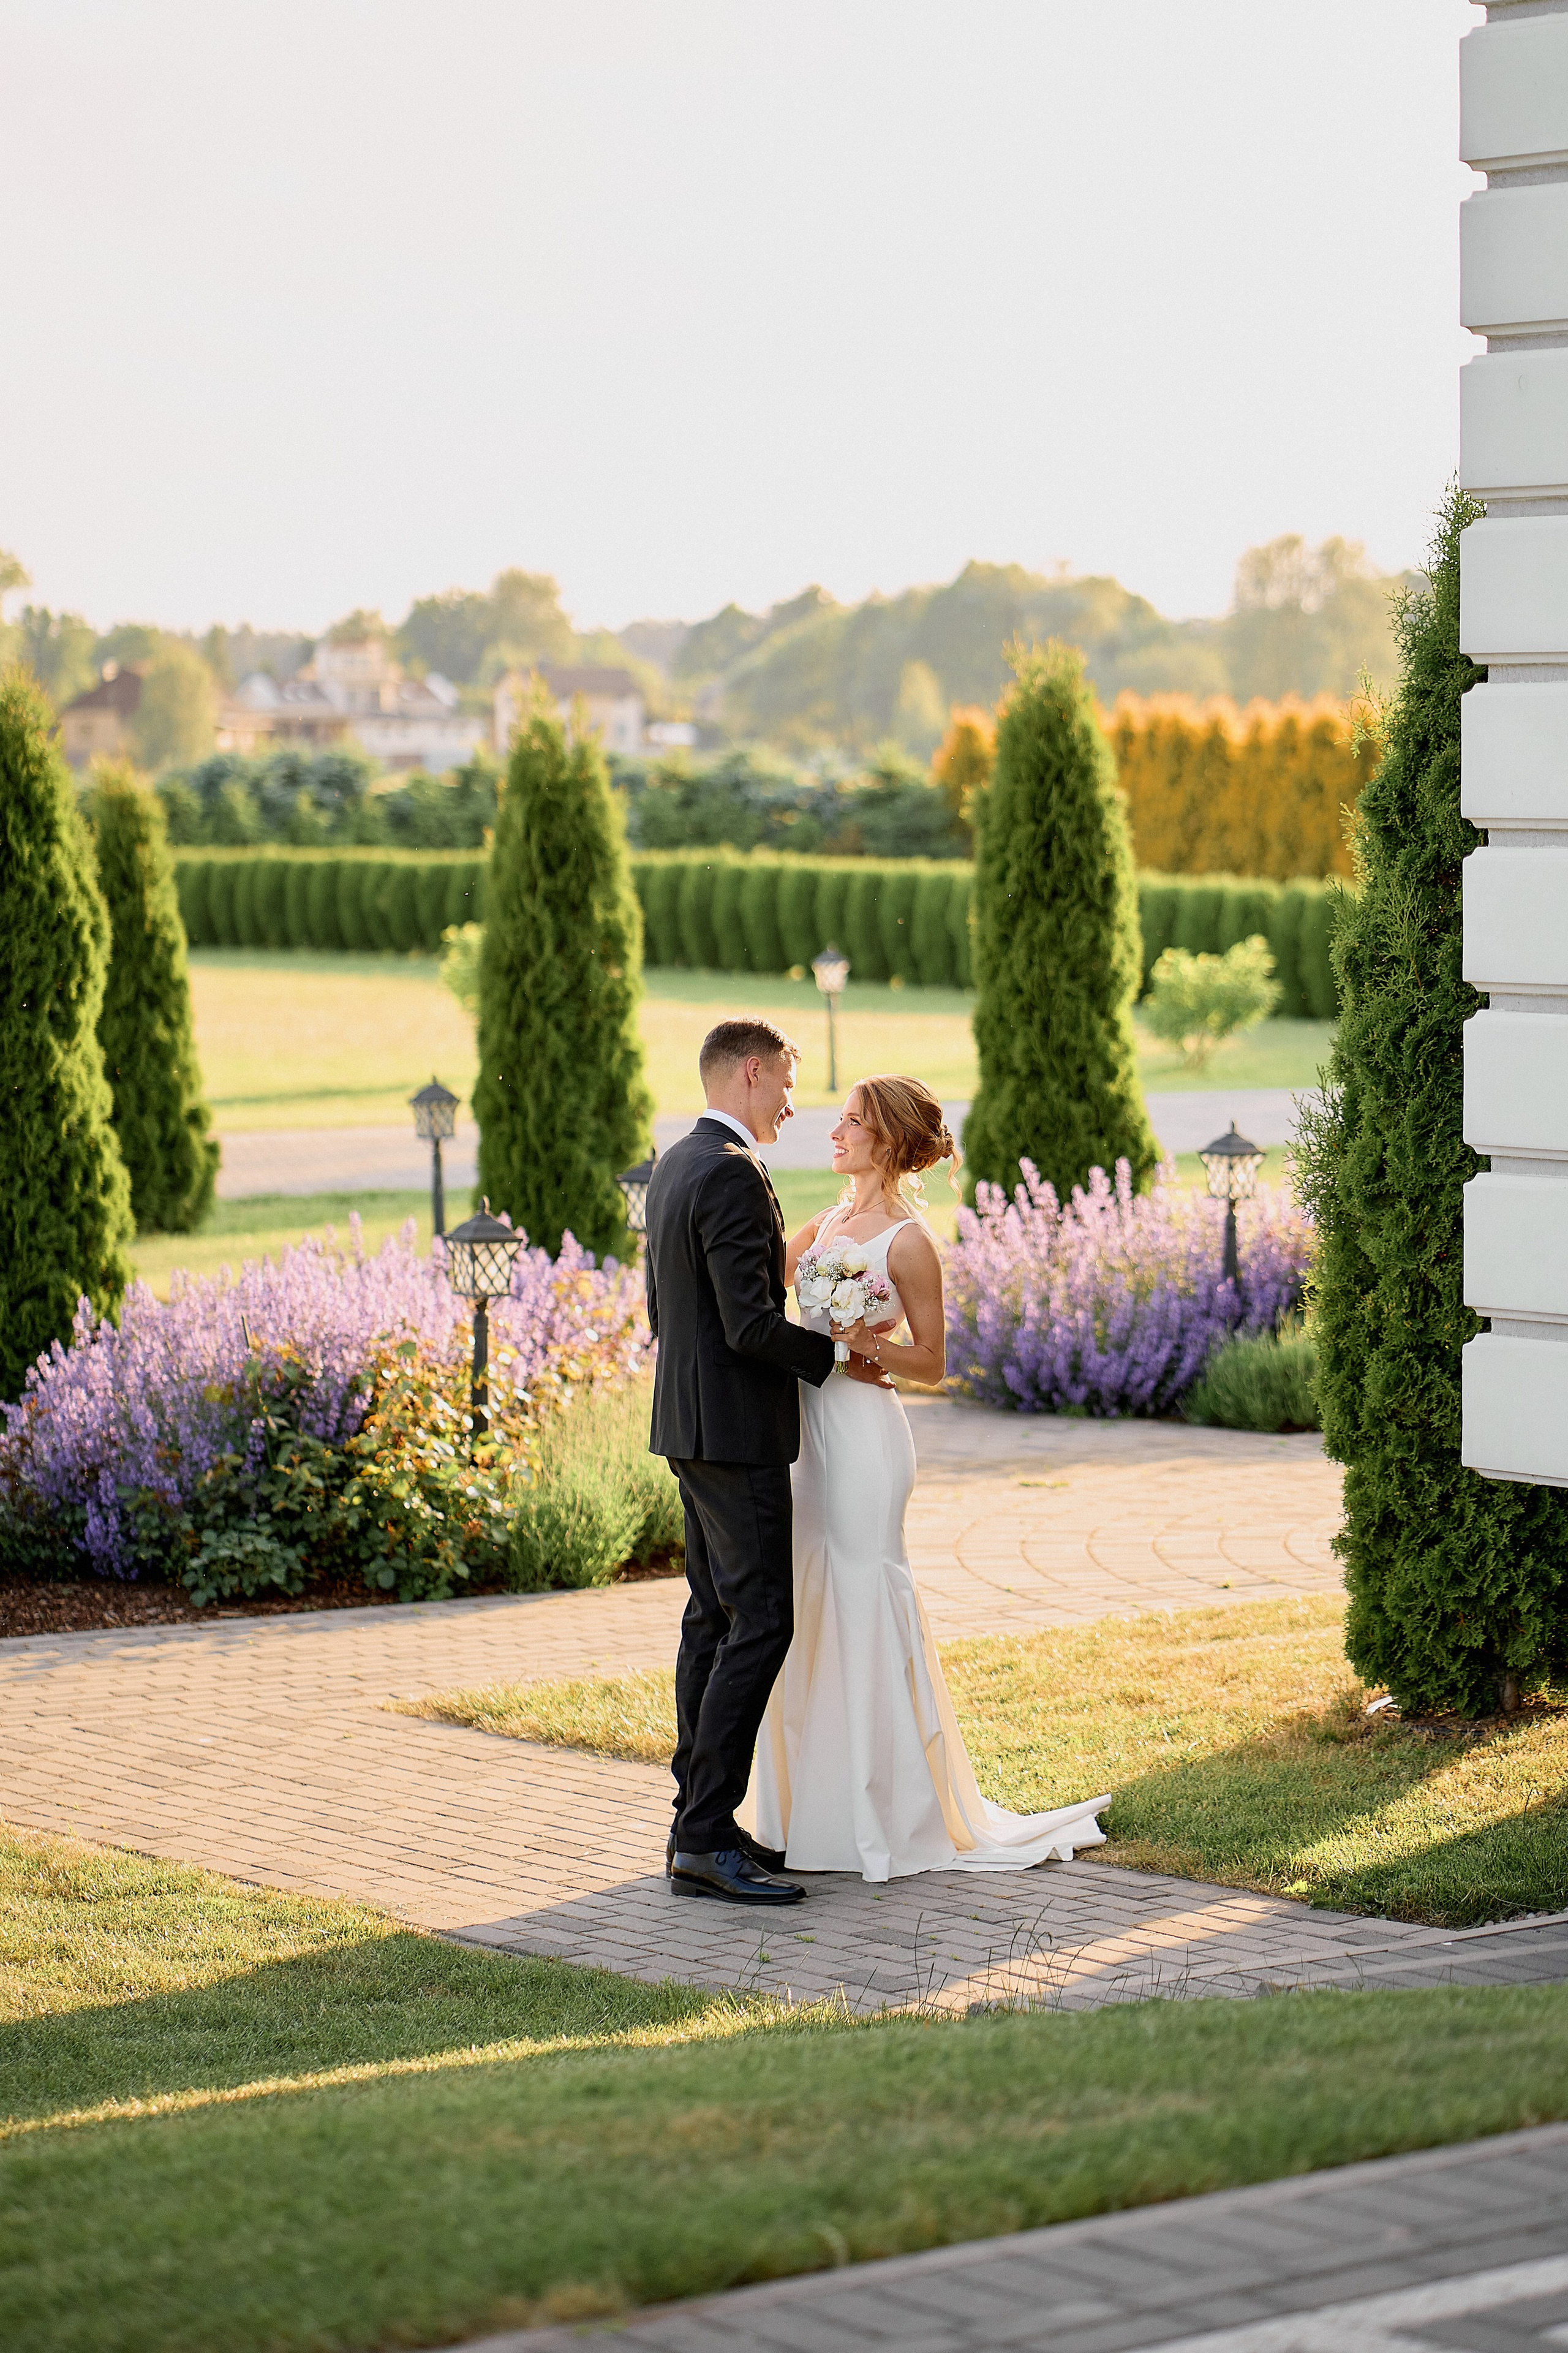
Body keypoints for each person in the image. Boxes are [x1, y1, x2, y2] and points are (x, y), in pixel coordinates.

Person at [743, 1073, 1110, 1881]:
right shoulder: (831, 1217)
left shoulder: (908, 1242)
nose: (833, 1133)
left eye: (850, 1124)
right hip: (809, 1433)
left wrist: (857, 1343)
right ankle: (809, 1810)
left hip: (868, 1438)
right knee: (810, 1598)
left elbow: (934, 1361)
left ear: (889, 1141)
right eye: (837, 1120)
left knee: (863, 1591)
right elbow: (759, 1285)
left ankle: (882, 1809)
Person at [643, 1018, 886, 1906]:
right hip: (738, 1433)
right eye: (786, 1080)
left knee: (711, 1616)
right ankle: (705, 1835)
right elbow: (747, 1324)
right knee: (761, 1620)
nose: (793, 1098)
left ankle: (693, 1824)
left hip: (687, 1425)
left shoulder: (675, 1161)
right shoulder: (735, 1173)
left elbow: (665, 1310)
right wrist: (835, 1359)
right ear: (752, 1071)